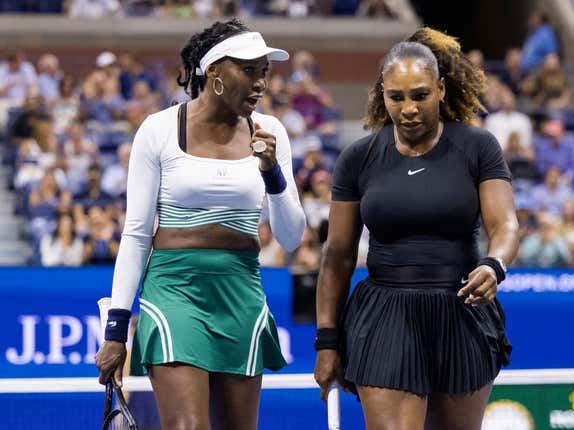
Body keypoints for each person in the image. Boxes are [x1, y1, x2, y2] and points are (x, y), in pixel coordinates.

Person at [95, 18, 306, 430]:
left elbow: (292, 237)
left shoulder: (271, 132)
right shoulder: (158, 130)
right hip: (174, 290)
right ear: (214, 74)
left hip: (241, 292)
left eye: (264, 72)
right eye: (248, 70)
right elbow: (137, 233)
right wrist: (116, 327)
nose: (261, 82)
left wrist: (272, 174)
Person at [314, 28, 520, 430]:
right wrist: (327, 341)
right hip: (385, 314)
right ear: (383, 95)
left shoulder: (478, 147)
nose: (408, 108)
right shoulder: (359, 157)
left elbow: (506, 224)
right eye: (397, 97)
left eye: (420, 95)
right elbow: (337, 254)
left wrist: (494, 265)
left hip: (463, 309)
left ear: (441, 89)